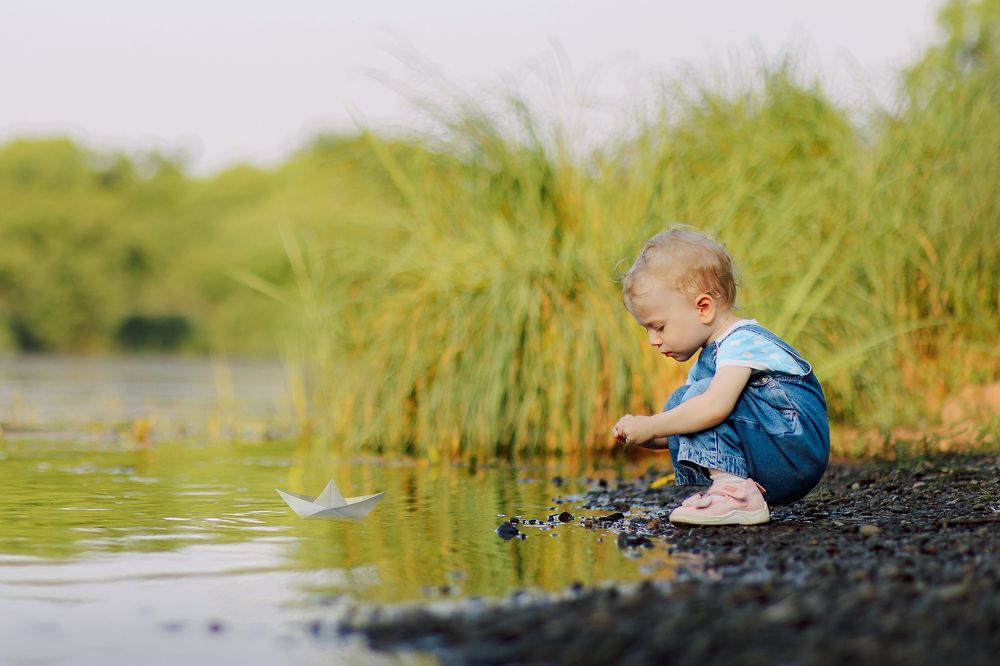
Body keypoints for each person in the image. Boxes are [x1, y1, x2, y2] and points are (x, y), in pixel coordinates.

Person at [612, 228, 829, 525]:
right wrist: (645, 434)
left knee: (698, 399)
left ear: (703, 308)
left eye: (659, 327)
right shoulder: (709, 363)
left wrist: (651, 424)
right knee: (681, 402)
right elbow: (690, 426)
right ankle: (734, 489)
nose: (652, 340)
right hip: (770, 457)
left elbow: (714, 408)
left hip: (794, 449)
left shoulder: (741, 341)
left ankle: (736, 495)